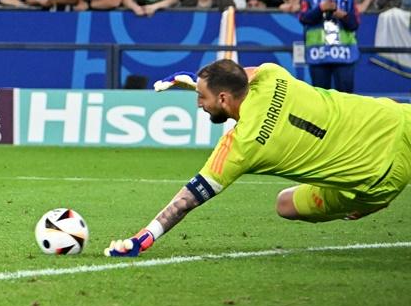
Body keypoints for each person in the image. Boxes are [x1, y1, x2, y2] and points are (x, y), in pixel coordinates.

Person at [105, 60, 411, 257]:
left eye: (202, 98)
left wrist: (142, 239)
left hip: (379, 179)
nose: (199, 104)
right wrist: (194, 81)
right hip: (398, 119)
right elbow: (241, 75)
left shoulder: (242, 146)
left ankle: (361, 205)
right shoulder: (273, 74)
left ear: (223, 99)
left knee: (286, 204)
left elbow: (186, 201)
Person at [299, 0, 360, 93]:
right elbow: (303, 19)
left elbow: (355, 24)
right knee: (321, 98)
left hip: (344, 54)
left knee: (346, 97)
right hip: (318, 54)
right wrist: (320, 8)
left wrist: (342, 15)